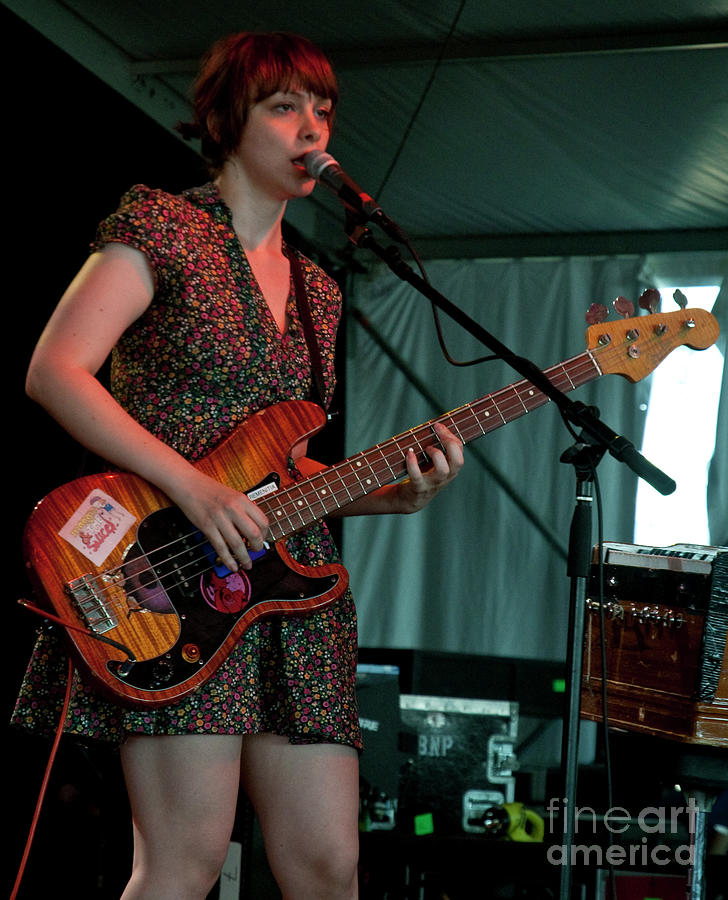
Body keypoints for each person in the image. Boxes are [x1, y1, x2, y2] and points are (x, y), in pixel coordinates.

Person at [12, 31, 463, 900]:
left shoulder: (321, 288)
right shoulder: (163, 228)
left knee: (329, 868)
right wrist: (191, 484)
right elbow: (55, 371)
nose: (311, 129)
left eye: (322, 109)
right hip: (171, 577)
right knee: (184, 865)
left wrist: (388, 500)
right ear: (227, 120)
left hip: (293, 600)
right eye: (284, 106)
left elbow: (282, 482)